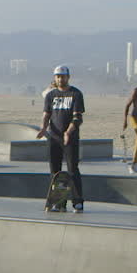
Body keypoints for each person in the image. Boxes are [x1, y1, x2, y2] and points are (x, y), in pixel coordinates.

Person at [37, 65, 85, 212]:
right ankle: (58, 201)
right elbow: (46, 114)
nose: (60, 79)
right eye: (57, 76)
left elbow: (77, 118)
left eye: (63, 76)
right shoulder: (51, 95)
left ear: (68, 77)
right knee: (55, 172)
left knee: (72, 170)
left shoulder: (75, 94)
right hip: (54, 137)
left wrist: (68, 132)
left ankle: (77, 201)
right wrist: (43, 128)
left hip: (70, 138)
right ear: (54, 78)